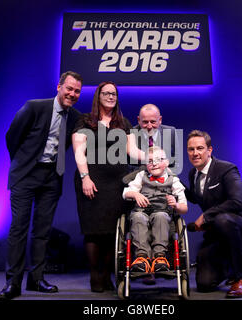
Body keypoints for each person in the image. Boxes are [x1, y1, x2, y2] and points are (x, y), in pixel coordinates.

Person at [0, 71, 83, 300]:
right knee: (18, 229)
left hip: (52, 177)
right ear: (59, 87)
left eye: (77, 91)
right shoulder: (34, 107)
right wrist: (23, 162)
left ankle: (36, 279)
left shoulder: (75, 117)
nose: (72, 94)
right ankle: (12, 284)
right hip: (26, 174)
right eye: (69, 89)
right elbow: (12, 137)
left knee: (43, 231)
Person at [72, 81, 144, 292]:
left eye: (114, 94)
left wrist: (151, 156)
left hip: (117, 184)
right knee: (94, 231)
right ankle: (95, 277)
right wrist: (85, 177)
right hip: (91, 181)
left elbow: (132, 152)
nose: (111, 97)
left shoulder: (123, 122)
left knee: (113, 232)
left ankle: (106, 275)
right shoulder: (85, 121)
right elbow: (78, 152)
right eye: (106, 93)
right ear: (98, 96)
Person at [185, 130, 242, 298]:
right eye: (191, 149)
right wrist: (171, 181)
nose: (195, 153)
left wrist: (206, 216)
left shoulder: (226, 169)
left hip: (241, 226)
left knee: (222, 220)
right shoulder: (193, 174)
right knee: (204, 285)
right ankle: (228, 265)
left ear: (209, 150)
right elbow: (195, 197)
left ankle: (241, 279)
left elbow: (237, 201)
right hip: (217, 232)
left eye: (200, 148)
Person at [123, 146, 187, 274]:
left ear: (167, 162)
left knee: (161, 216)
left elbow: (184, 208)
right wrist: (136, 194)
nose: (154, 164)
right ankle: (142, 257)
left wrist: (175, 204)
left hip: (162, 213)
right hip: (142, 212)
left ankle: (160, 257)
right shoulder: (141, 175)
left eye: (159, 160)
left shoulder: (173, 180)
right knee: (137, 217)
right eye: (150, 161)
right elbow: (126, 193)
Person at [124, 104, 182, 184]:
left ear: (160, 119)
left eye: (153, 122)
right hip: (138, 182)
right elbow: (127, 166)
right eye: (145, 122)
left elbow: (177, 162)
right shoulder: (131, 134)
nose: (149, 126)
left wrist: (163, 176)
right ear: (138, 120)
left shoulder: (171, 132)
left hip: (165, 182)